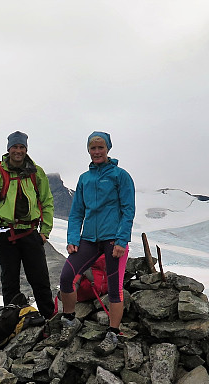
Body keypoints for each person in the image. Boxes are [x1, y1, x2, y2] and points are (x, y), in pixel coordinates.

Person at [58, 131, 136, 355]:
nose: (97, 151)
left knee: (114, 289)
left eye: (101, 147)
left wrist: (122, 240)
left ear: (108, 149)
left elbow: (128, 210)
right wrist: (73, 238)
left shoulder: (120, 176)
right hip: (89, 239)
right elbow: (76, 212)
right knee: (66, 276)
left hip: (113, 240)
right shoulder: (85, 178)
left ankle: (113, 333)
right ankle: (70, 320)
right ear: (88, 150)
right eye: (93, 148)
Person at [0, 131, 56, 319]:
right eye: (15, 147)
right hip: (6, 234)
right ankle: (12, 322)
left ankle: (49, 320)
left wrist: (45, 231)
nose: (18, 151)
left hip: (31, 232)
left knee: (40, 280)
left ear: (26, 149)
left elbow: (47, 201)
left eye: (22, 147)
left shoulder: (37, 173)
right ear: (8, 149)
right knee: (10, 282)